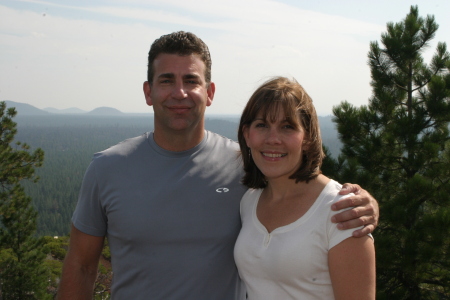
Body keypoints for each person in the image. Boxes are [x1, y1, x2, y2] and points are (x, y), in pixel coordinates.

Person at [56, 32, 378, 299]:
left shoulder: (243, 167)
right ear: (148, 92)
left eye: (191, 81)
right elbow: (81, 266)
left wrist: (365, 203)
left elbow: (305, 194)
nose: (179, 92)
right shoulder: (107, 169)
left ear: (209, 93)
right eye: (166, 80)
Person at [234, 76, 376, 299]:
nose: (273, 139)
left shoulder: (341, 211)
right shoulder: (248, 202)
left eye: (287, 127)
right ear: (247, 135)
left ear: (307, 137)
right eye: (262, 125)